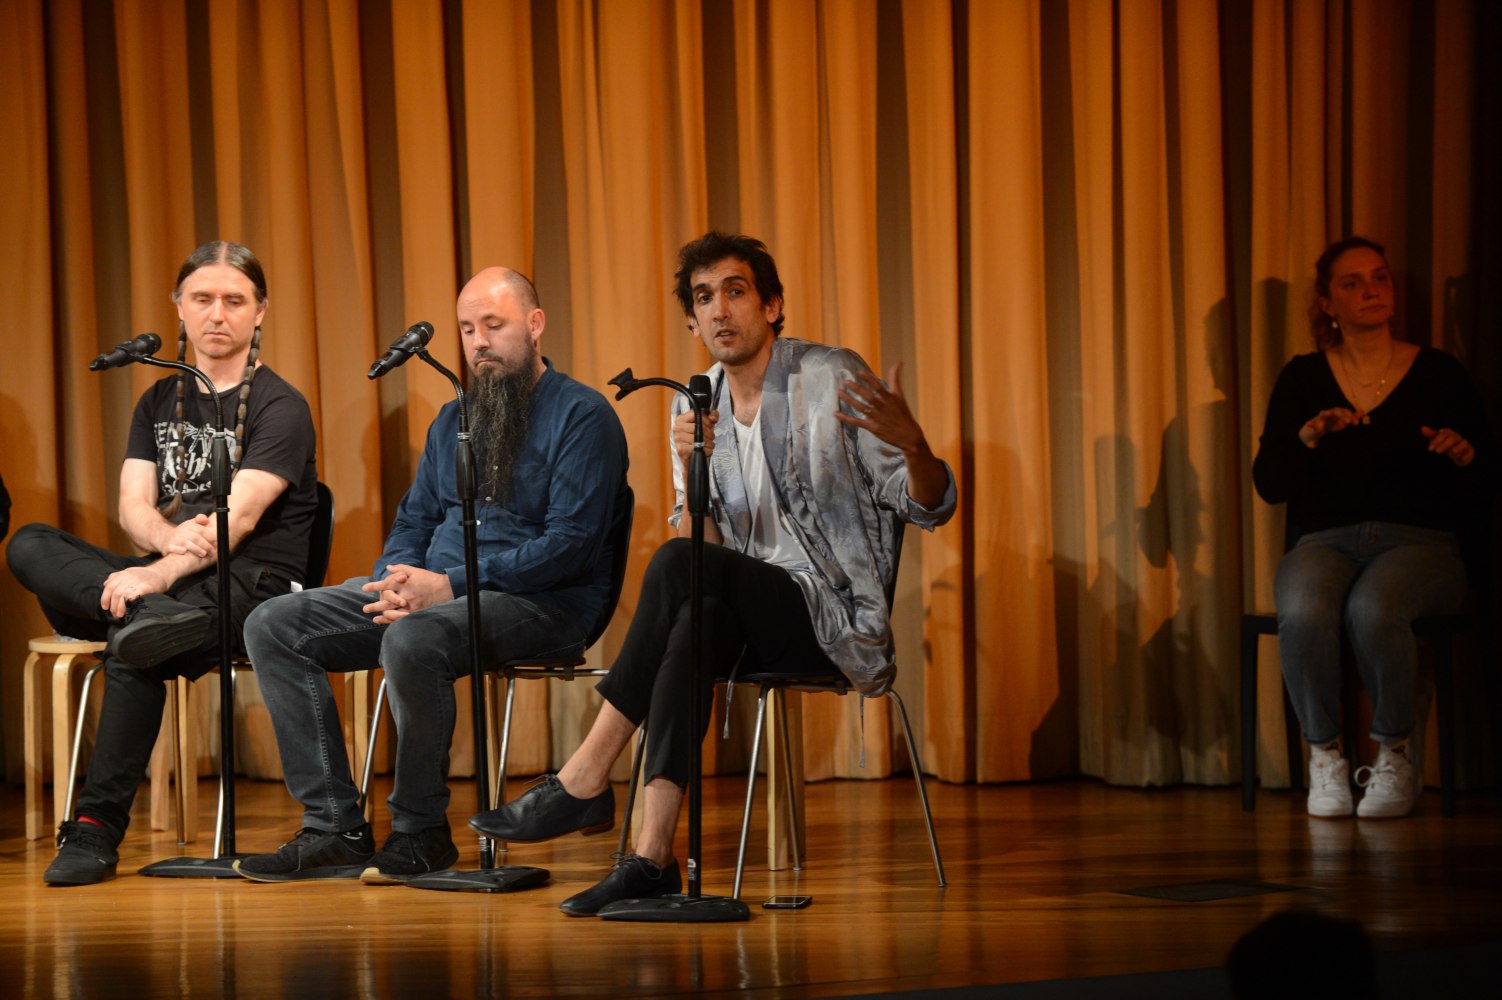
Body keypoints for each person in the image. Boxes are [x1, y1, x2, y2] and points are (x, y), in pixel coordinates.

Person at [469, 232, 957, 915]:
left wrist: (916, 448)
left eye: (736, 291)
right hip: (746, 615)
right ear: (692, 321)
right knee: (693, 616)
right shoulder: (692, 404)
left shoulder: (831, 377)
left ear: (772, 305)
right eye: (704, 298)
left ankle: (583, 776)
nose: (721, 310)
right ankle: (650, 860)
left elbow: (930, 505)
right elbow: (700, 549)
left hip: (833, 620)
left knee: (675, 570)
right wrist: (697, 476)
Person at [233, 267, 630, 885]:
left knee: (412, 639)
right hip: (431, 596)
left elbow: (571, 546)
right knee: (273, 623)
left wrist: (448, 588)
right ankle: (334, 825)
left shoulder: (584, 415)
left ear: (534, 324)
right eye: (467, 329)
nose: (477, 343)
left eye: (492, 326)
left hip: (541, 602)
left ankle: (420, 833)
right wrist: (393, 582)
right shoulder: (453, 419)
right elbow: (414, 520)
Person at [5, 241, 319, 885]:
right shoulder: (157, 402)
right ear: (178, 309)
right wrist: (160, 558)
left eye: (235, 300)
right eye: (202, 299)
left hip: (253, 587)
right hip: (171, 581)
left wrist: (156, 572)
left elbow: (241, 514)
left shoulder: (280, 405)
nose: (217, 314)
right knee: (30, 541)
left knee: (136, 644)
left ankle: (94, 829)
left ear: (260, 313)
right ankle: (142, 613)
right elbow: (133, 505)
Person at [1252, 236, 1494, 819]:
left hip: (1422, 544)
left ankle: (1394, 755)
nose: (1372, 291)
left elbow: (1485, 478)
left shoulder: (1438, 372)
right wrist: (1307, 439)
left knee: (1373, 607)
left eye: (1380, 278)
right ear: (1328, 302)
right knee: (1305, 605)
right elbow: (1269, 482)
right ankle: (1326, 756)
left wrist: (1466, 456)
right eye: (1353, 283)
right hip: (1325, 540)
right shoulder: (1303, 377)